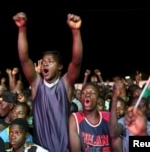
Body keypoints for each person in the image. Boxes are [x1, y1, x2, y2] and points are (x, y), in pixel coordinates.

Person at [13, 12, 83, 151]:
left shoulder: (65, 84)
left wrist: (75, 31)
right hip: (40, 150)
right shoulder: (36, 84)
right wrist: (22, 29)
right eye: (44, 62)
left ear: (59, 67)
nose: (45, 64)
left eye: (50, 62)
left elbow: (76, 62)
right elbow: (24, 58)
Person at [69, 82, 112, 151]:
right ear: (80, 98)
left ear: (98, 99)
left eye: (92, 93)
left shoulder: (108, 116)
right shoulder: (75, 118)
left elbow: (117, 142)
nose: (88, 94)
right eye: (83, 93)